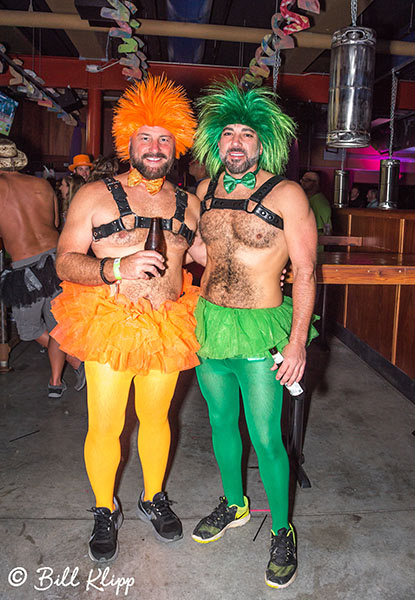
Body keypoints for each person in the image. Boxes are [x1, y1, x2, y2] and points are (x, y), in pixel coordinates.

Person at [51, 75, 202, 562]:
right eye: (145, 137)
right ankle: (103, 507)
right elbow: (64, 260)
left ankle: (152, 496)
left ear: (176, 144)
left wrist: (264, 268)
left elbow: (205, 254)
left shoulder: (189, 203)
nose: (155, 147)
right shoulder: (94, 195)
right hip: (110, 321)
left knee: (158, 417)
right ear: (128, 142)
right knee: (107, 423)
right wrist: (114, 266)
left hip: (167, 324)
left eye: (164, 138)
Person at [191, 80, 318, 589]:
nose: (236, 143)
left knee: (267, 437)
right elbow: (205, 254)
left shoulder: (287, 193)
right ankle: (234, 502)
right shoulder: (206, 190)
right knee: (221, 424)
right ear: (215, 143)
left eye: (246, 134)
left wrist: (297, 341)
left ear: (262, 143)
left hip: (263, 327)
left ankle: (283, 530)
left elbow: (306, 272)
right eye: (228, 135)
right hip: (209, 321)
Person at [0, 138, 85, 398]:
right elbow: (56, 222)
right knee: (57, 325)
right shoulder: (41, 185)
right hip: (55, 259)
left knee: (28, 331)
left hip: (25, 268)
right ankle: (56, 382)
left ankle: (75, 361)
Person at [300, 170, 332, 235]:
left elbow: (325, 230)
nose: (302, 182)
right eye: (302, 179)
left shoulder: (320, 203)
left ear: (316, 183)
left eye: (307, 180)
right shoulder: (305, 199)